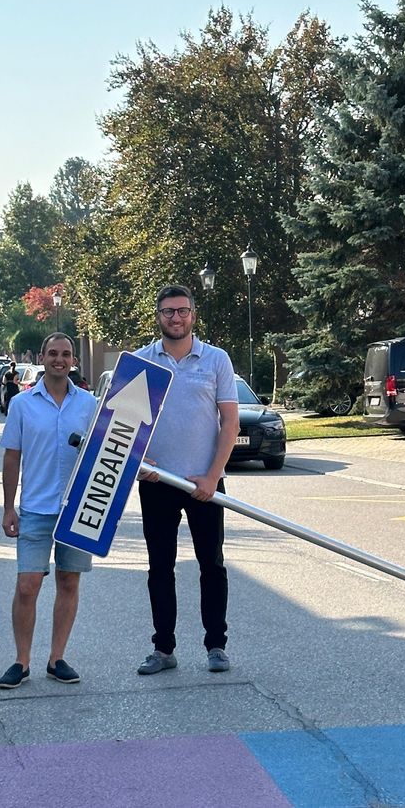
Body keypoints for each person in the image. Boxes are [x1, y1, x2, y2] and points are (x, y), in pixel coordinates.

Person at [135, 285, 240, 675]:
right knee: (160, 568)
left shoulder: (216, 360)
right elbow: (123, 425)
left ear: (193, 315)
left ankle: (216, 646)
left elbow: (230, 423)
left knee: (211, 565)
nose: (175, 318)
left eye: (182, 311)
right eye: (168, 311)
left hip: (204, 485)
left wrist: (212, 476)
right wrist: (136, 460)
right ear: (158, 316)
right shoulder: (142, 362)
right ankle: (163, 649)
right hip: (157, 482)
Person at [0, 333, 97, 689]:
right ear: (42, 358)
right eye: (53, 353)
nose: (59, 359)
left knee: (69, 581)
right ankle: (21, 662)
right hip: (36, 509)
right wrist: (8, 507)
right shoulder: (22, 404)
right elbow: (12, 457)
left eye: (66, 354)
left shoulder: (90, 405)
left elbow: (107, 453)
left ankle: (57, 659)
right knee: (27, 586)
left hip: (77, 510)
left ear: (73, 361)